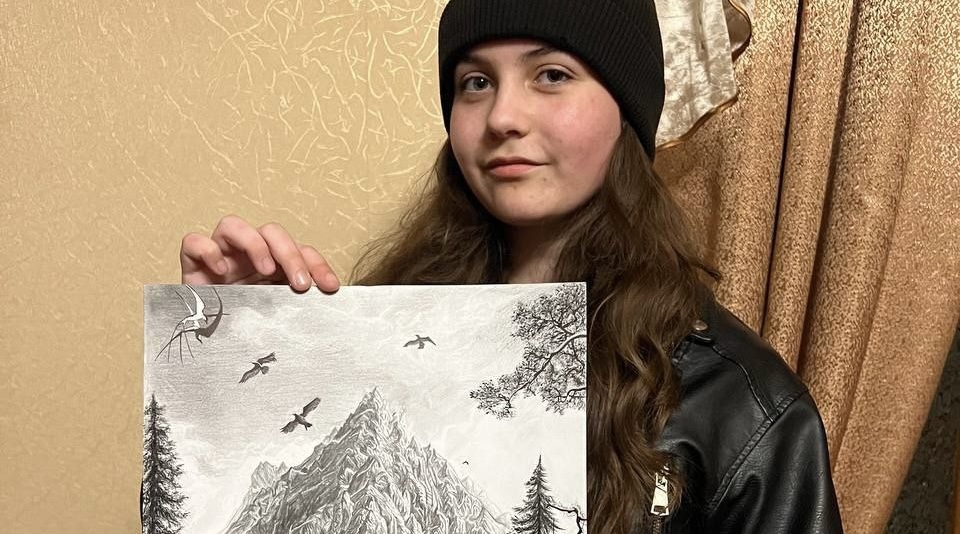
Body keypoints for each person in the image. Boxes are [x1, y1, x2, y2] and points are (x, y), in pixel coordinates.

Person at [178, 0, 844, 532]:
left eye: (551, 75)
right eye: (475, 82)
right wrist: (243, 355)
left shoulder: (742, 408)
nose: (501, 116)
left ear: (627, 108)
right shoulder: (387, 334)